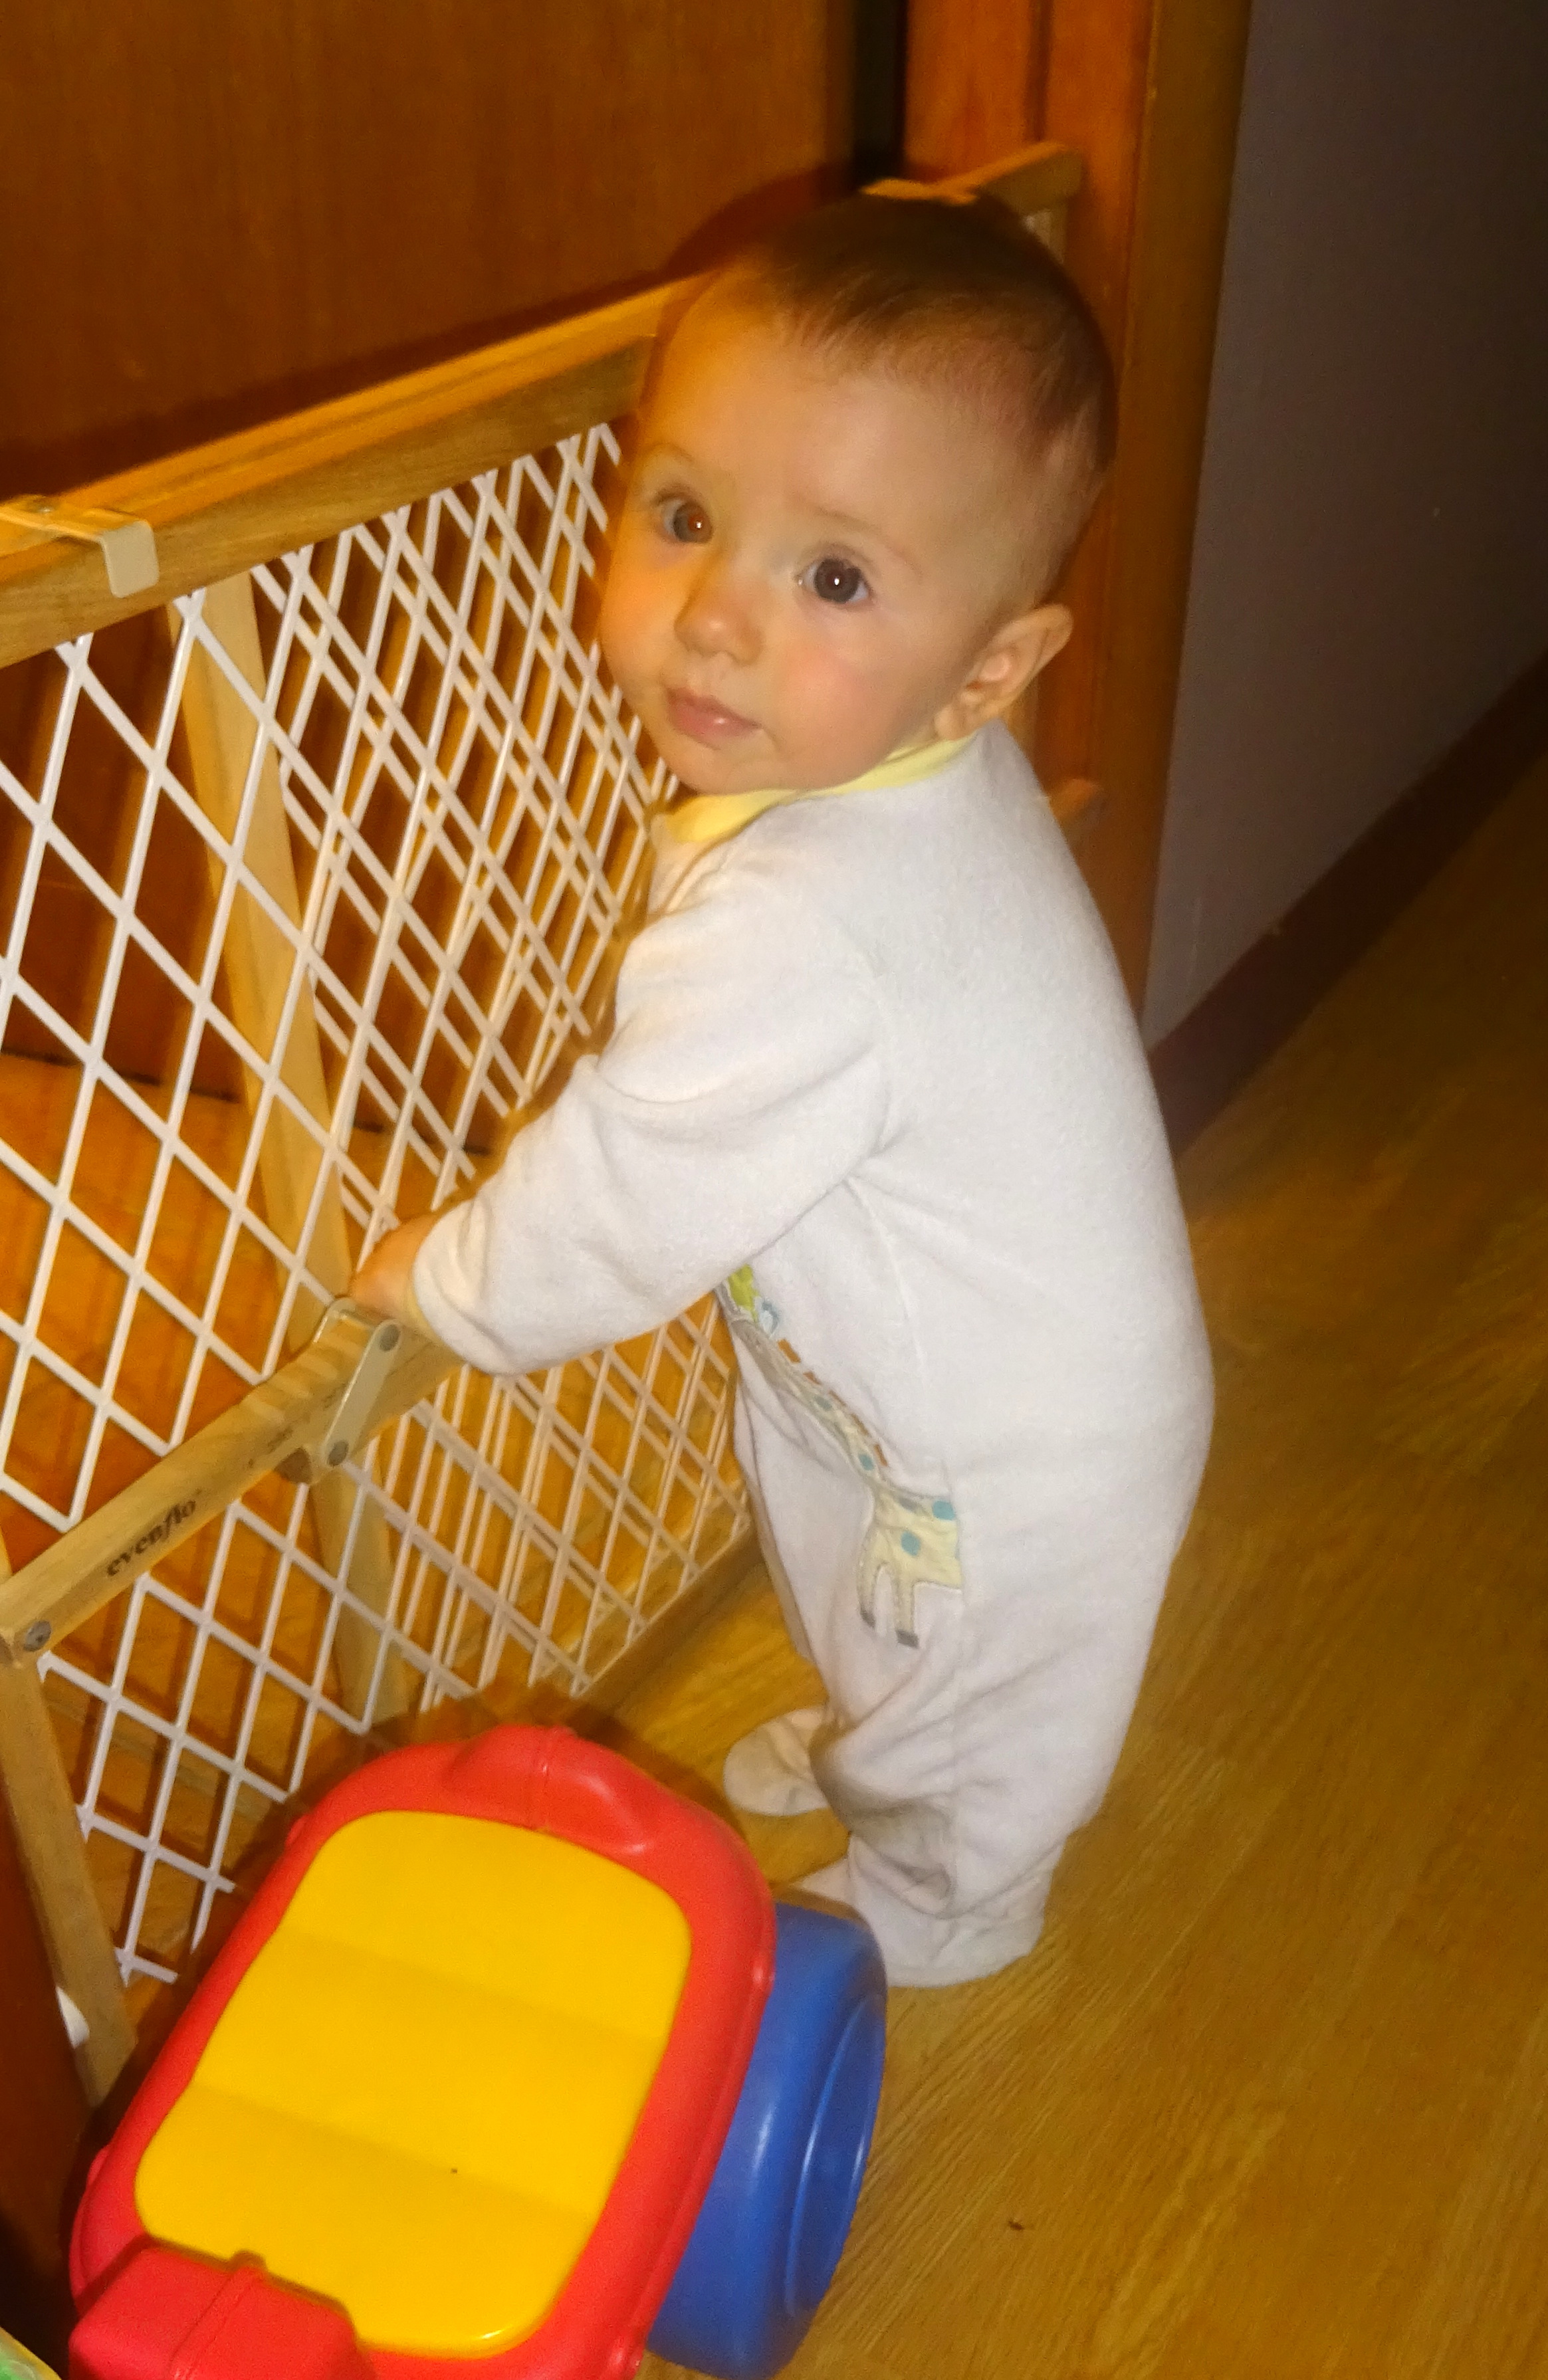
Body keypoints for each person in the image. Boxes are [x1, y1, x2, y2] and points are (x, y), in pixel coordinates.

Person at [353, 189, 1213, 1986]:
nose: (718, 619)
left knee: (974, 1704)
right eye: (685, 518)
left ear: (986, 673)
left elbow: (622, 1195)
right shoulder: (902, 777)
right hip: (915, 1386)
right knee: (859, 1590)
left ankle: (950, 1901)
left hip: (1008, 1456)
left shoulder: (808, 924)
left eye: (834, 579)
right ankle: (871, 1740)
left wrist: (448, 1283)